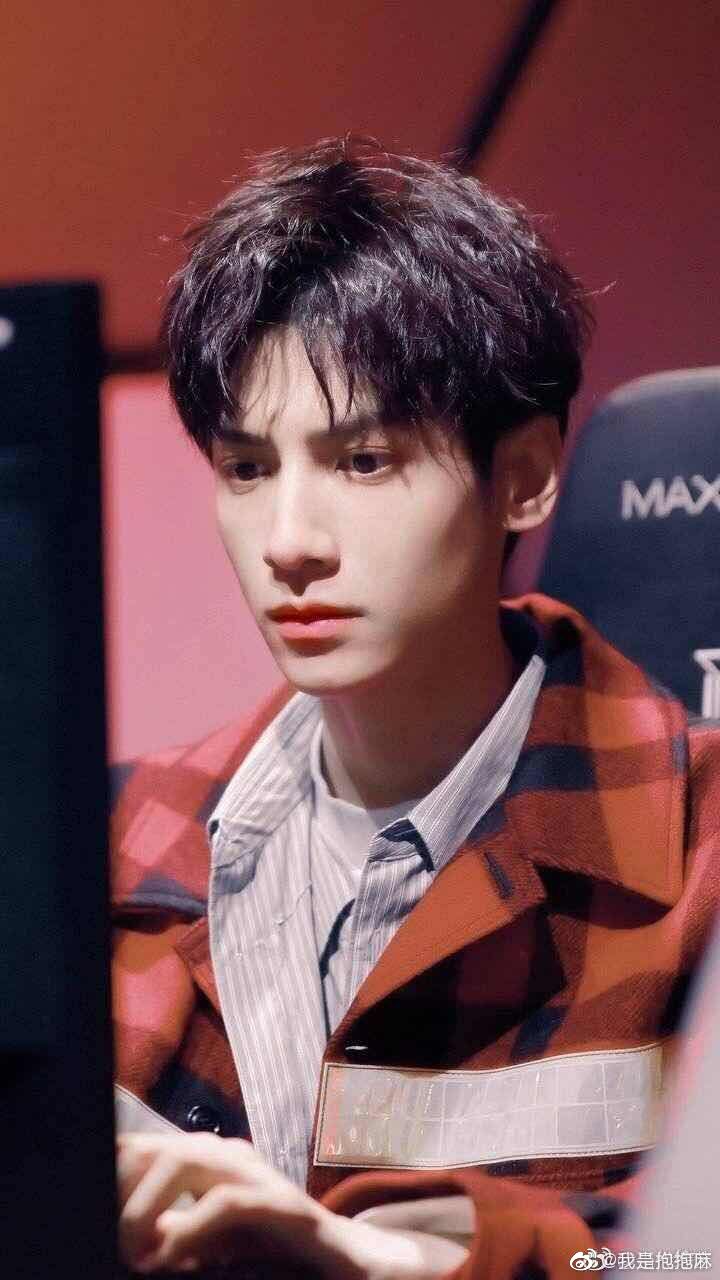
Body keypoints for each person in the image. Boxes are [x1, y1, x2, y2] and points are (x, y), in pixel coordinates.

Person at [111, 136, 720, 1277]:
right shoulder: (112, 838)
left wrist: (395, 1260)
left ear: (524, 476)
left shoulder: (702, 848)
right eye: (247, 469)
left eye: (365, 460)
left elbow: (685, 1263)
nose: (289, 542)